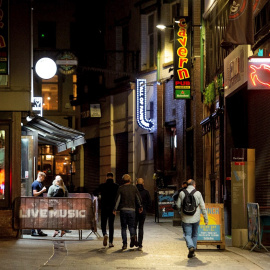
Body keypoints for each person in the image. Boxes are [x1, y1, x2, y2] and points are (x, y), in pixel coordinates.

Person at [176, 179, 208, 258]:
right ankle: (193, 250)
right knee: (195, 234)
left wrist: (181, 211)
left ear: (187, 185)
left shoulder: (182, 193)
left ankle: (190, 247)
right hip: (196, 218)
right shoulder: (198, 193)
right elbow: (203, 207)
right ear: (194, 185)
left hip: (185, 218)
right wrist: (206, 219)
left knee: (187, 234)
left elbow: (178, 206)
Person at [113, 174, 143, 250]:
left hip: (123, 210)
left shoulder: (121, 188)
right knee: (131, 226)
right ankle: (132, 235)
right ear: (130, 180)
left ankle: (124, 244)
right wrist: (140, 206)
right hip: (132, 210)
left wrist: (115, 209)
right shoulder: (134, 188)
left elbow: (118, 200)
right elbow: (138, 198)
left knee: (123, 227)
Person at [93, 172, 119, 247]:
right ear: (113, 178)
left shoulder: (102, 185)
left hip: (104, 207)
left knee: (103, 223)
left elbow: (94, 192)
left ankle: (105, 233)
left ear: (106, 177)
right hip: (112, 208)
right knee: (111, 225)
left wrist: (99, 196)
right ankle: (111, 242)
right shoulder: (116, 186)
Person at [135, 178, 151, 251]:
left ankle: (134, 240)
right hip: (143, 212)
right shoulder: (146, 192)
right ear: (143, 183)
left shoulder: (134, 191)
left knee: (134, 226)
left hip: (135, 211)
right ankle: (140, 244)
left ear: (136, 183)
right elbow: (149, 203)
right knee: (141, 227)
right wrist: (145, 209)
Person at [31, 171, 47, 236]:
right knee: (35, 217)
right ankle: (33, 231)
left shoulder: (39, 183)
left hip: (38, 202)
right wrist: (42, 191)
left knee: (38, 217)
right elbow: (34, 194)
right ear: (40, 176)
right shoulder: (35, 183)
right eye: (43, 177)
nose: (44, 179)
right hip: (35, 203)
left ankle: (38, 230)